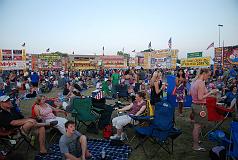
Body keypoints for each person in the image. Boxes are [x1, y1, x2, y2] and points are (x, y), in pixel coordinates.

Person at [190, 68, 218, 152]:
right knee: (197, 126)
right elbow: (200, 97)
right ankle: (195, 145)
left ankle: (196, 141)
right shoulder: (201, 83)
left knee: (198, 125)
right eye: (208, 75)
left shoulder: (195, 81)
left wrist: (210, 93)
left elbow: (196, 93)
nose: (208, 77)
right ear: (204, 73)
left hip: (195, 105)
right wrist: (211, 92)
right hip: (199, 106)